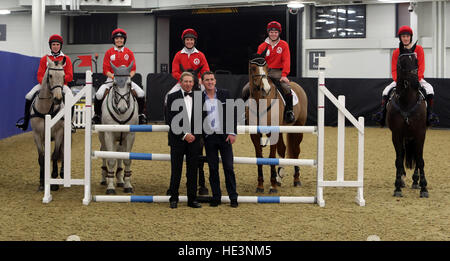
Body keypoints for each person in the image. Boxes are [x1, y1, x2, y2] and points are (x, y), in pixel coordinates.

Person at [373, 25, 439, 127]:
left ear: (410, 37)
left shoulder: (419, 49)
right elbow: (394, 69)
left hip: (416, 78)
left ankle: (430, 115)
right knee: (385, 91)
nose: (405, 38)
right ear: (400, 38)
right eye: (403, 36)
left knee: (430, 89)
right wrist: (398, 79)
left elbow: (421, 66)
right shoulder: (396, 52)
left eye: (407, 36)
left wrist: (416, 78)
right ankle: (382, 115)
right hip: (400, 79)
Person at [16, 34, 73, 131]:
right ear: (50, 46)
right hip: (45, 85)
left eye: (57, 45)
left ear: (60, 46)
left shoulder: (66, 59)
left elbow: (70, 76)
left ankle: (70, 123)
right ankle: (25, 122)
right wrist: (46, 83)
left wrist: (58, 81)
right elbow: (40, 75)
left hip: (61, 85)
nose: (55, 46)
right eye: (53, 44)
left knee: (70, 97)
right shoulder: (44, 59)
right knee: (29, 96)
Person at [242, 21, 295, 124]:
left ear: (279, 33)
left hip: (277, 72)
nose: (273, 34)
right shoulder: (262, 46)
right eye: (271, 32)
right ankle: (244, 113)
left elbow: (286, 60)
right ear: (268, 33)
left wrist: (284, 75)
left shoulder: (284, 45)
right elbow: (258, 62)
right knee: (245, 89)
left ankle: (289, 111)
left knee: (286, 88)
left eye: (275, 32)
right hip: (264, 71)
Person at [92, 28, 147, 125]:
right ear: (114, 40)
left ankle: (140, 115)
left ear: (124, 40)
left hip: (126, 80)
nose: (119, 40)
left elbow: (133, 69)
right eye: (117, 38)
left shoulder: (129, 52)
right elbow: (105, 70)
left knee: (141, 93)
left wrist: (128, 77)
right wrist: (114, 77)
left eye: (121, 38)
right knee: (99, 94)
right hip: (112, 79)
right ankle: (97, 116)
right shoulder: (109, 52)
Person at [166, 72, 203, 209]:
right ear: (180, 82)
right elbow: (169, 119)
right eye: (185, 81)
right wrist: (184, 135)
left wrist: (194, 135)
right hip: (177, 140)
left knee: (193, 171)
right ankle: (173, 198)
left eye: (190, 81)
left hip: (194, 140)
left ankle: (192, 199)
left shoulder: (199, 97)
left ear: (193, 83)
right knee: (176, 170)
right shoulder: (171, 97)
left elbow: (202, 118)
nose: (188, 84)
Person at [202, 71, 239, 208]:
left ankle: (233, 197)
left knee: (228, 167)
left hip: (225, 137)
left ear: (215, 81)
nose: (210, 82)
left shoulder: (225, 94)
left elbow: (232, 114)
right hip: (209, 138)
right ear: (203, 82)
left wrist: (232, 132)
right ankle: (216, 196)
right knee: (213, 169)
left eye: (212, 79)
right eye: (207, 80)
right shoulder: (199, 98)